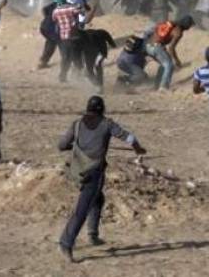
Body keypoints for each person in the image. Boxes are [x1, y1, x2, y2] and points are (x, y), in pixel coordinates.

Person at [57, 96, 146, 263]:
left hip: (78, 171)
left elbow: (61, 145)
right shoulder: (107, 124)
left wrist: (75, 145)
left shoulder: (76, 124)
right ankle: (66, 242)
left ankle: (92, 234)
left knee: (98, 199)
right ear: (102, 109)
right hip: (94, 172)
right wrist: (138, 149)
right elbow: (130, 138)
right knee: (82, 209)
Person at [144, 15, 194, 91]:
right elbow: (171, 48)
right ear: (186, 25)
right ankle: (163, 87)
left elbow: (155, 30)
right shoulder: (178, 32)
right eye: (190, 25)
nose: (190, 28)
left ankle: (157, 85)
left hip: (148, 45)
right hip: (157, 47)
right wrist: (177, 61)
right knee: (169, 65)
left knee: (163, 64)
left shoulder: (170, 23)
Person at [52, 0, 85, 83]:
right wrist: (80, 6)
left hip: (64, 37)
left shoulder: (55, 11)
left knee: (65, 58)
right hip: (74, 36)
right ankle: (79, 76)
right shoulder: (71, 8)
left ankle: (62, 76)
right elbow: (82, 12)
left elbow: (54, 19)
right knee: (77, 57)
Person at [38, 0, 65, 70]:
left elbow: (44, 10)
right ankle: (66, 61)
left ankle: (43, 61)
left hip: (44, 27)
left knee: (51, 42)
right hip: (53, 29)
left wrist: (48, 17)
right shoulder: (64, 6)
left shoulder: (53, 4)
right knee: (61, 43)